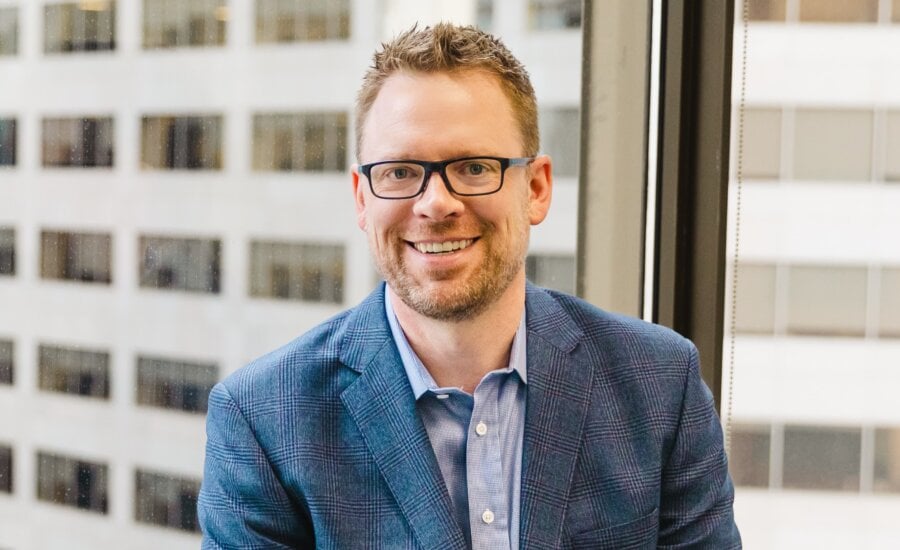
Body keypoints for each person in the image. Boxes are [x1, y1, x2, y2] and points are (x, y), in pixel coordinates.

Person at [198, 23, 741, 549]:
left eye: (475, 167)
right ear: (362, 199)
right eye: (400, 172)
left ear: (536, 188)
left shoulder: (661, 385)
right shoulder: (264, 420)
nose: (436, 203)